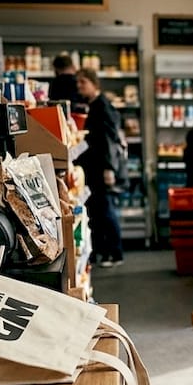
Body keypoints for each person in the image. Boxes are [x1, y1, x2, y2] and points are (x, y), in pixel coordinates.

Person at [75, 68, 124, 267]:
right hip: (93, 167)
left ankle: (115, 253)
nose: (80, 87)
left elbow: (109, 140)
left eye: (83, 83)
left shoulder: (102, 106)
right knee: (97, 210)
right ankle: (103, 252)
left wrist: (108, 168)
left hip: (101, 167)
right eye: (78, 83)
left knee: (105, 210)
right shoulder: (93, 105)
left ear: (94, 84)